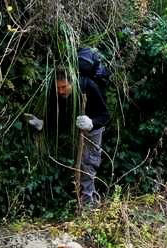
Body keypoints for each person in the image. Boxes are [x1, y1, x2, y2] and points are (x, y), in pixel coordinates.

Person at [25, 61, 110, 207]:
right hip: (74, 124)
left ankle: (88, 205)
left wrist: (91, 123)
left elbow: (105, 115)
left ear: (73, 82)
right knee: (78, 162)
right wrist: (44, 124)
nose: (61, 91)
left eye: (64, 87)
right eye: (58, 88)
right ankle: (85, 201)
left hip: (92, 126)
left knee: (88, 162)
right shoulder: (57, 93)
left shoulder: (89, 86)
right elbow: (60, 115)